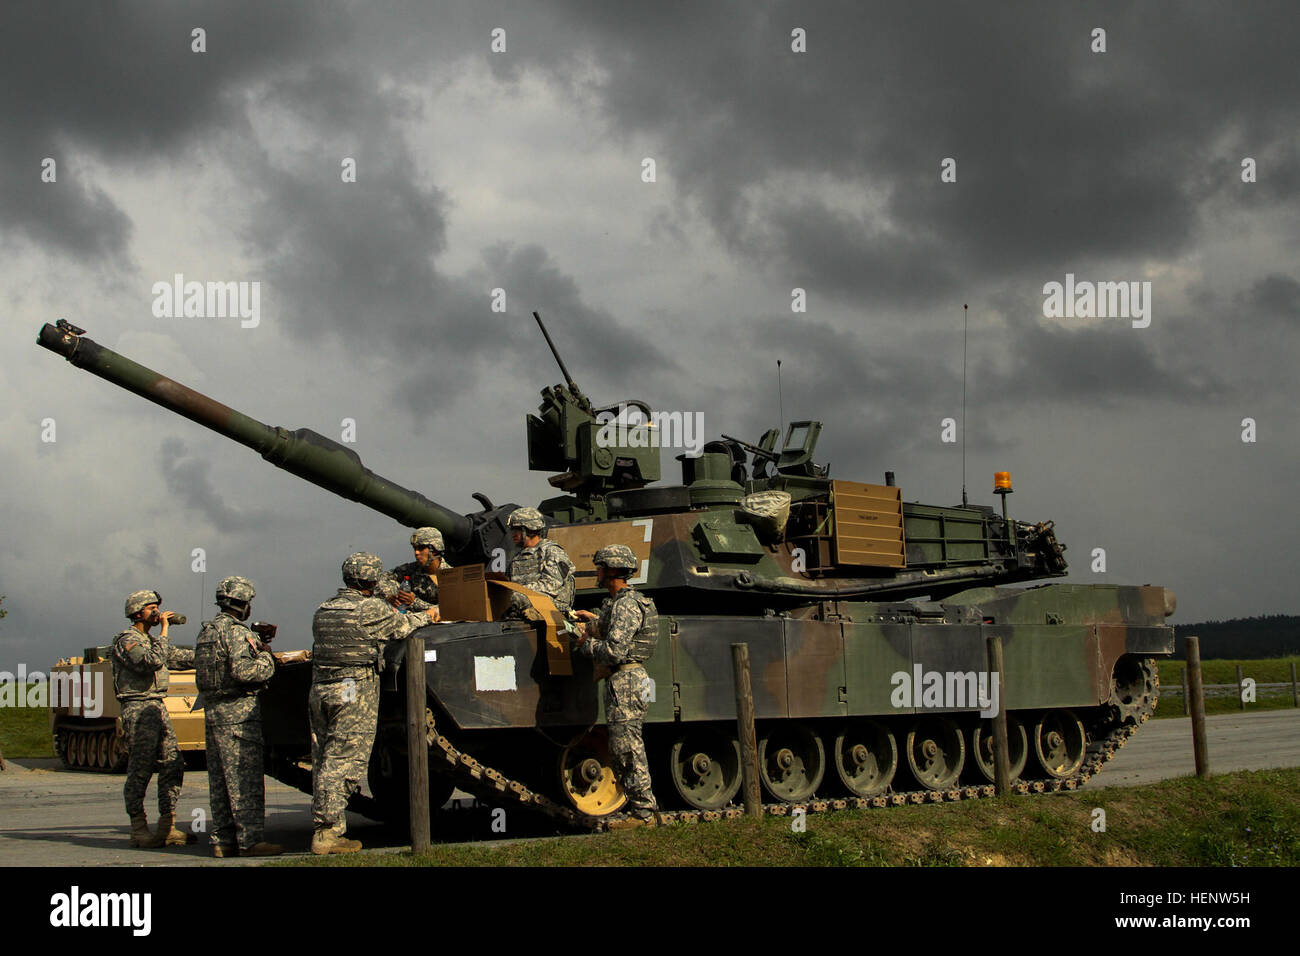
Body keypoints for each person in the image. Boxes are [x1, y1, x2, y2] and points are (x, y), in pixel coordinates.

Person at [309, 552, 437, 854]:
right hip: (353, 691)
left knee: (325, 757)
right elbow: (402, 626)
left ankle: (329, 827)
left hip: (321, 690)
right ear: (371, 580)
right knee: (344, 760)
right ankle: (326, 832)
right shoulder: (369, 608)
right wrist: (431, 614)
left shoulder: (324, 609)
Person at [572, 545, 660, 828]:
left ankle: (644, 815)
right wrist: (592, 621)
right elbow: (611, 630)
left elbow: (614, 651)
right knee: (622, 747)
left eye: (600, 568)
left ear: (611, 570)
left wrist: (586, 644)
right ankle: (641, 812)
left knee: (628, 748)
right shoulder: (616, 603)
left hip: (628, 682)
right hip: (620, 682)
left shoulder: (626, 604)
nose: (596, 573)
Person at [194, 576, 282, 858]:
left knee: (220, 782)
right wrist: (268, 658)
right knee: (245, 781)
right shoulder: (236, 633)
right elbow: (244, 672)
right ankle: (250, 841)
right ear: (242, 604)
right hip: (239, 714)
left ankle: (222, 841)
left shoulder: (206, 631)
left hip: (213, 712)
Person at [112, 589, 197, 848]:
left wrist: (208, 653)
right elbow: (151, 661)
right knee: (140, 768)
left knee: (173, 763)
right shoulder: (127, 640)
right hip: (137, 708)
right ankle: (138, 829)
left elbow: (177, 658)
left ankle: (167, 825)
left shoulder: (151, 640)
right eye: (152, 608)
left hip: (157, 706)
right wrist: (164, 630)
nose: (158, 612)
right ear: (137, 613)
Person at [506, 507, 575, 617]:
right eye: (512, 530)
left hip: (553, 609)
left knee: (516, 598)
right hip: (523, 605)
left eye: (517, 530)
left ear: (529, 529)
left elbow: (551, 585)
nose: (513, 534)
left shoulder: (552, 551)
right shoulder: (517, 558)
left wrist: (520, 592)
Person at [379, 527, 450, 613]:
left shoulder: (451, 576)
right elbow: (379, 579)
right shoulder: (409, 570)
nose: (416, 553)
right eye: (415, 548)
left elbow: (449, 610)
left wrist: (414, 602)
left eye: (421, 548)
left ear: (434, 550)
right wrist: (390, 595)